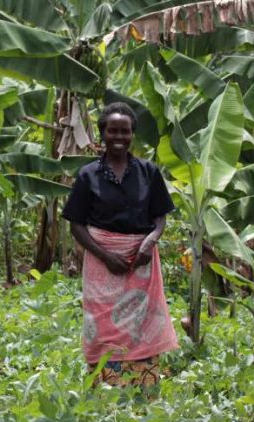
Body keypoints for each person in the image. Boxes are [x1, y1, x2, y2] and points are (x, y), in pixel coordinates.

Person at [62, 102, 178, 389]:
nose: (119, 137)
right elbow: (76, 225)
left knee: (142, 324)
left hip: (141, 261)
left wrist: (150, 242)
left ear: (132, 134)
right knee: (102, 324)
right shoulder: (88, 175)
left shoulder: (149, 172)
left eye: (124, 131)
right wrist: (105, 256)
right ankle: (105, 390)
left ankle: (144, 389)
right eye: (112, 130)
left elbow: (159, 217)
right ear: (102, 133)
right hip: (102, 262)